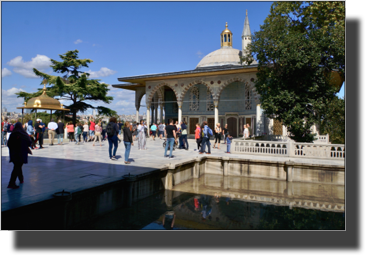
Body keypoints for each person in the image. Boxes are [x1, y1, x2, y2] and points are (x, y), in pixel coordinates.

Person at [7, 122, 32, 189]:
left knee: (17, 166)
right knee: (17, 167)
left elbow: (9, 144)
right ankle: (11, 183)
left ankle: (21, 179)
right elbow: (29, 142)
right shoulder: (23, 134)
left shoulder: (13, 134)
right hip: (21, 153)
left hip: (14, 154)